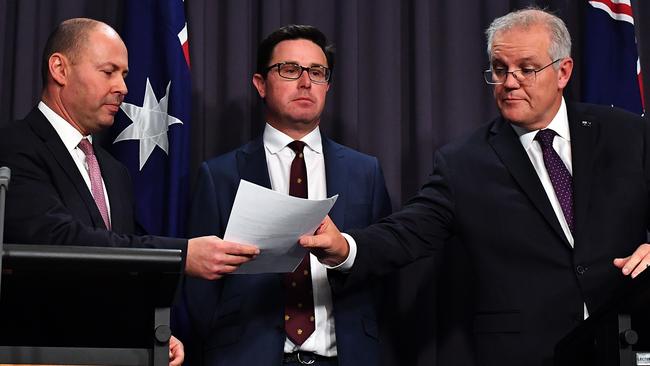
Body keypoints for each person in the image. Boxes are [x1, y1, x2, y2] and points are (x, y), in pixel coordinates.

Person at [300, 8, 650, 366]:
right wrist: (345, 247)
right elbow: (406, 232)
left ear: (563, 72)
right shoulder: (464, 162)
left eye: (526, 69)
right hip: (529, 353)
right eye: (500, 69)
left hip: (627, 342)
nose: (509, 82)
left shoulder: (627, 134)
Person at [0, 18, 259, 366]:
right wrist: (183, 255)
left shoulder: (114, 170)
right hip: (36, 354)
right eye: (109, 72)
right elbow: (58, 239)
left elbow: (124, 272)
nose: (123, 87)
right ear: (60, 69)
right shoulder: (14, 147)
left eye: (124, 75)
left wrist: (149, 330)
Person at [180, 25, 391, 366]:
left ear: (328, 85)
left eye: (317, 72)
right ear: (261, 84)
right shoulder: (219, 175)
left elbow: (384, 268)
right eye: (290, 70)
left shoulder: (365, 172)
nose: (305, 82)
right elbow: (199, 288)